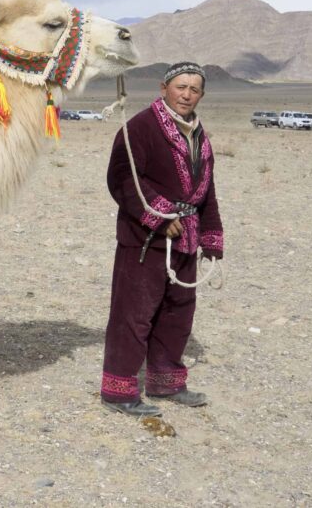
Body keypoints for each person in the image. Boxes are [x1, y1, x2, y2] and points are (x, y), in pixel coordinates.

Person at [99, 62, 224, 417]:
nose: (187, 94)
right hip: (144, 240)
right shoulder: (139, 127)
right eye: (180, 87)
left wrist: (212, 238)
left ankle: (165, 382)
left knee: (177, 314)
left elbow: (207, 191)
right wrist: (158, 214)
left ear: (201, 94)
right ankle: (118, 391)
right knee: (133, 316)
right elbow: (122, 178)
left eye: (194, 89)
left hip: (187, 238)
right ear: (163, 87)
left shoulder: (199, 135)